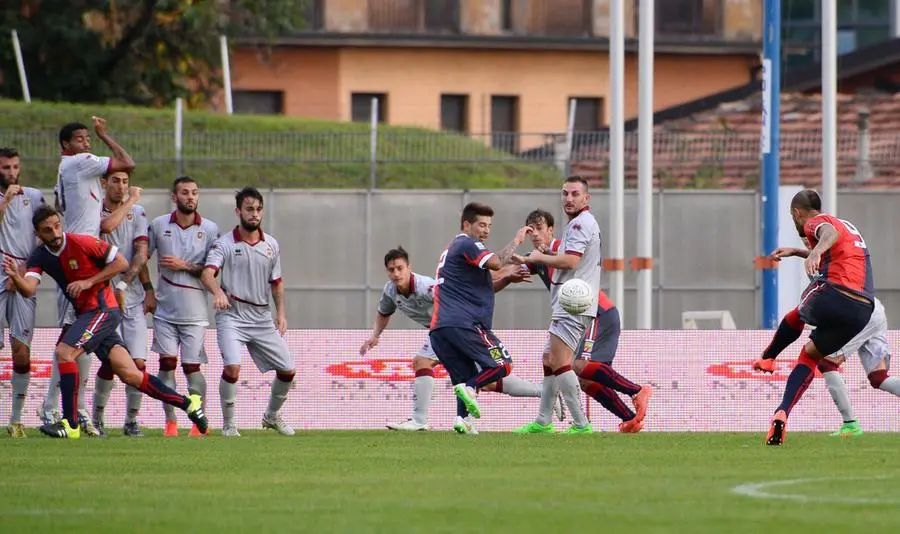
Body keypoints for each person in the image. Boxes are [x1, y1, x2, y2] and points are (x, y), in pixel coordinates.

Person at [6, 205, 207, 439]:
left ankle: (70, 424)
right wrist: (15, 277)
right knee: (131, 375)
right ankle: (188, 404)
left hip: (103, 310)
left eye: (56, 225)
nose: (55, 232)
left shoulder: (82, 242)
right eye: (47, 230)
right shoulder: (39, 256)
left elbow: (121, 263)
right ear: (38, 234)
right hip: (88, 315)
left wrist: (89, 282)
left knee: (64, 353)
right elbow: (29, 290)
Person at [362, 246, 556, 432]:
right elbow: (384, 312)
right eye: (391, 270)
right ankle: (542, 392)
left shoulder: (427, 287)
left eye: (400, 268)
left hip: (455, 327)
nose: (396, 274)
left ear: (409, 267)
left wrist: (505, 279)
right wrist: (375, 336)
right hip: (443, 332)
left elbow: (472, 293)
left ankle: (421, 420)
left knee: (427, 362)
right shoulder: (390, 290)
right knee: (484, 379)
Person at [755, 189, 874, 446]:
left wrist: (815, 252)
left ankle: (767, 358)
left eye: (792, 217)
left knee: (797, 314)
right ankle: (782, 412)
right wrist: (800, 252)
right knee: (810, 355)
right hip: (863, 309)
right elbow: (838, 243)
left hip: (837, 291)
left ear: (797, 213)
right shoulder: (846, 225)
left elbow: (828, 235)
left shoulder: (816, 222)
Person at [40, 117, 135, 435]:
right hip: (79, 260)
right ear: (66, 145)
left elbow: (105, 226)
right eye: (80, 138)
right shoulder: (81, 163)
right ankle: (52, 410)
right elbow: (127, 163)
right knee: (69, 340)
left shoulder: (68, 168)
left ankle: (74, 410)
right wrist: (105, 136)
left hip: (82, 253)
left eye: (88, 138)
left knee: (81, 340)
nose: (86, 143)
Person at [517, 208, 650, 433]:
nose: (536, 234)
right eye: (531, 231)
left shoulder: (559, 249)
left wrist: (536, 257)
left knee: (577, 365)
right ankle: (630, 419)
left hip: (598, 312)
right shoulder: (538, 258)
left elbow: (568, 260)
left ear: (551, 230)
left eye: (540, 229)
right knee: (562, 367)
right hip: (576, 314)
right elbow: (509, 269)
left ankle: (636, 390)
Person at [757, 242, 898, 437]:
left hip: (857, 313)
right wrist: (798, 252)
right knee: (879, 378)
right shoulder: (831, 256)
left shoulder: (819, 267)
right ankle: (850, 424)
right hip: (874, 309)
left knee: (825, 362)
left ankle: (850, 424)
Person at [428, 202, 533, 434]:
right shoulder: (468, 243)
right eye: (481, 225)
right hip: (464, 324)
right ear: (467, 224)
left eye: (489, 226)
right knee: (502, 365)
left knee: (463, 376)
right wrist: (517, 241)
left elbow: (481, 288)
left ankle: (462, 420)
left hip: (441, 329)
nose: (486, 230)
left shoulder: (456, 248)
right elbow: (496, 262)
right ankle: (472, 387)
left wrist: (506, 280)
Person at [200, 187, 295, 437]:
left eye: (258, 209)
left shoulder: (271, 244)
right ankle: (229, 424)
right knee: (232, 368)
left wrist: (281, 314)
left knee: (288, 370)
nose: (254, 214)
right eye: (249, 209)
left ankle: (271, 416)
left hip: (262, 318)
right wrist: (218, 292)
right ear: (238, 211)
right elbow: (207, 273)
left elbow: (277, 282)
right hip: (232, 315)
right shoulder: (224, 243)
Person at [147, 176, 219, 437]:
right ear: (174, 197)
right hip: (164, 312)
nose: (191, 197)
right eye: (185, 193)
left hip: (195, 313)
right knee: (166, 365)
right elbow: (142, 258)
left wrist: (184, 266)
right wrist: (148, 291)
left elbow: (212, 270)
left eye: (195, 193)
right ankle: (170, 422)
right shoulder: (158, 225)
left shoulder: (210, 229)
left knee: (191, 368)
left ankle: (199, 422)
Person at [91, 171, 151, 436]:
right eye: (115, 181)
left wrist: (130, 286)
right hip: (103, 297)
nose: (121, 186)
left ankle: (131, 421)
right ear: (104, 183)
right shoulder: (92, 209)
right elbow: (104, 229)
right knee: (109, 363)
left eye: (125, 181)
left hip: (131, 295)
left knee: (138, 363)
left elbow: (141, 253)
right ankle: (97, 419)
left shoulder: (137, 212)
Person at [0, 148, 44, 438]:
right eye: (5, 168)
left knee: (22, 354)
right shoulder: (5, 198)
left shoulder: (35, 196)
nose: (11, 172)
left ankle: (16, 419)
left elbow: (47, 233)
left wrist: (22, 273)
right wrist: (5, 201)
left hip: (24, 277)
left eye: (15, 166)